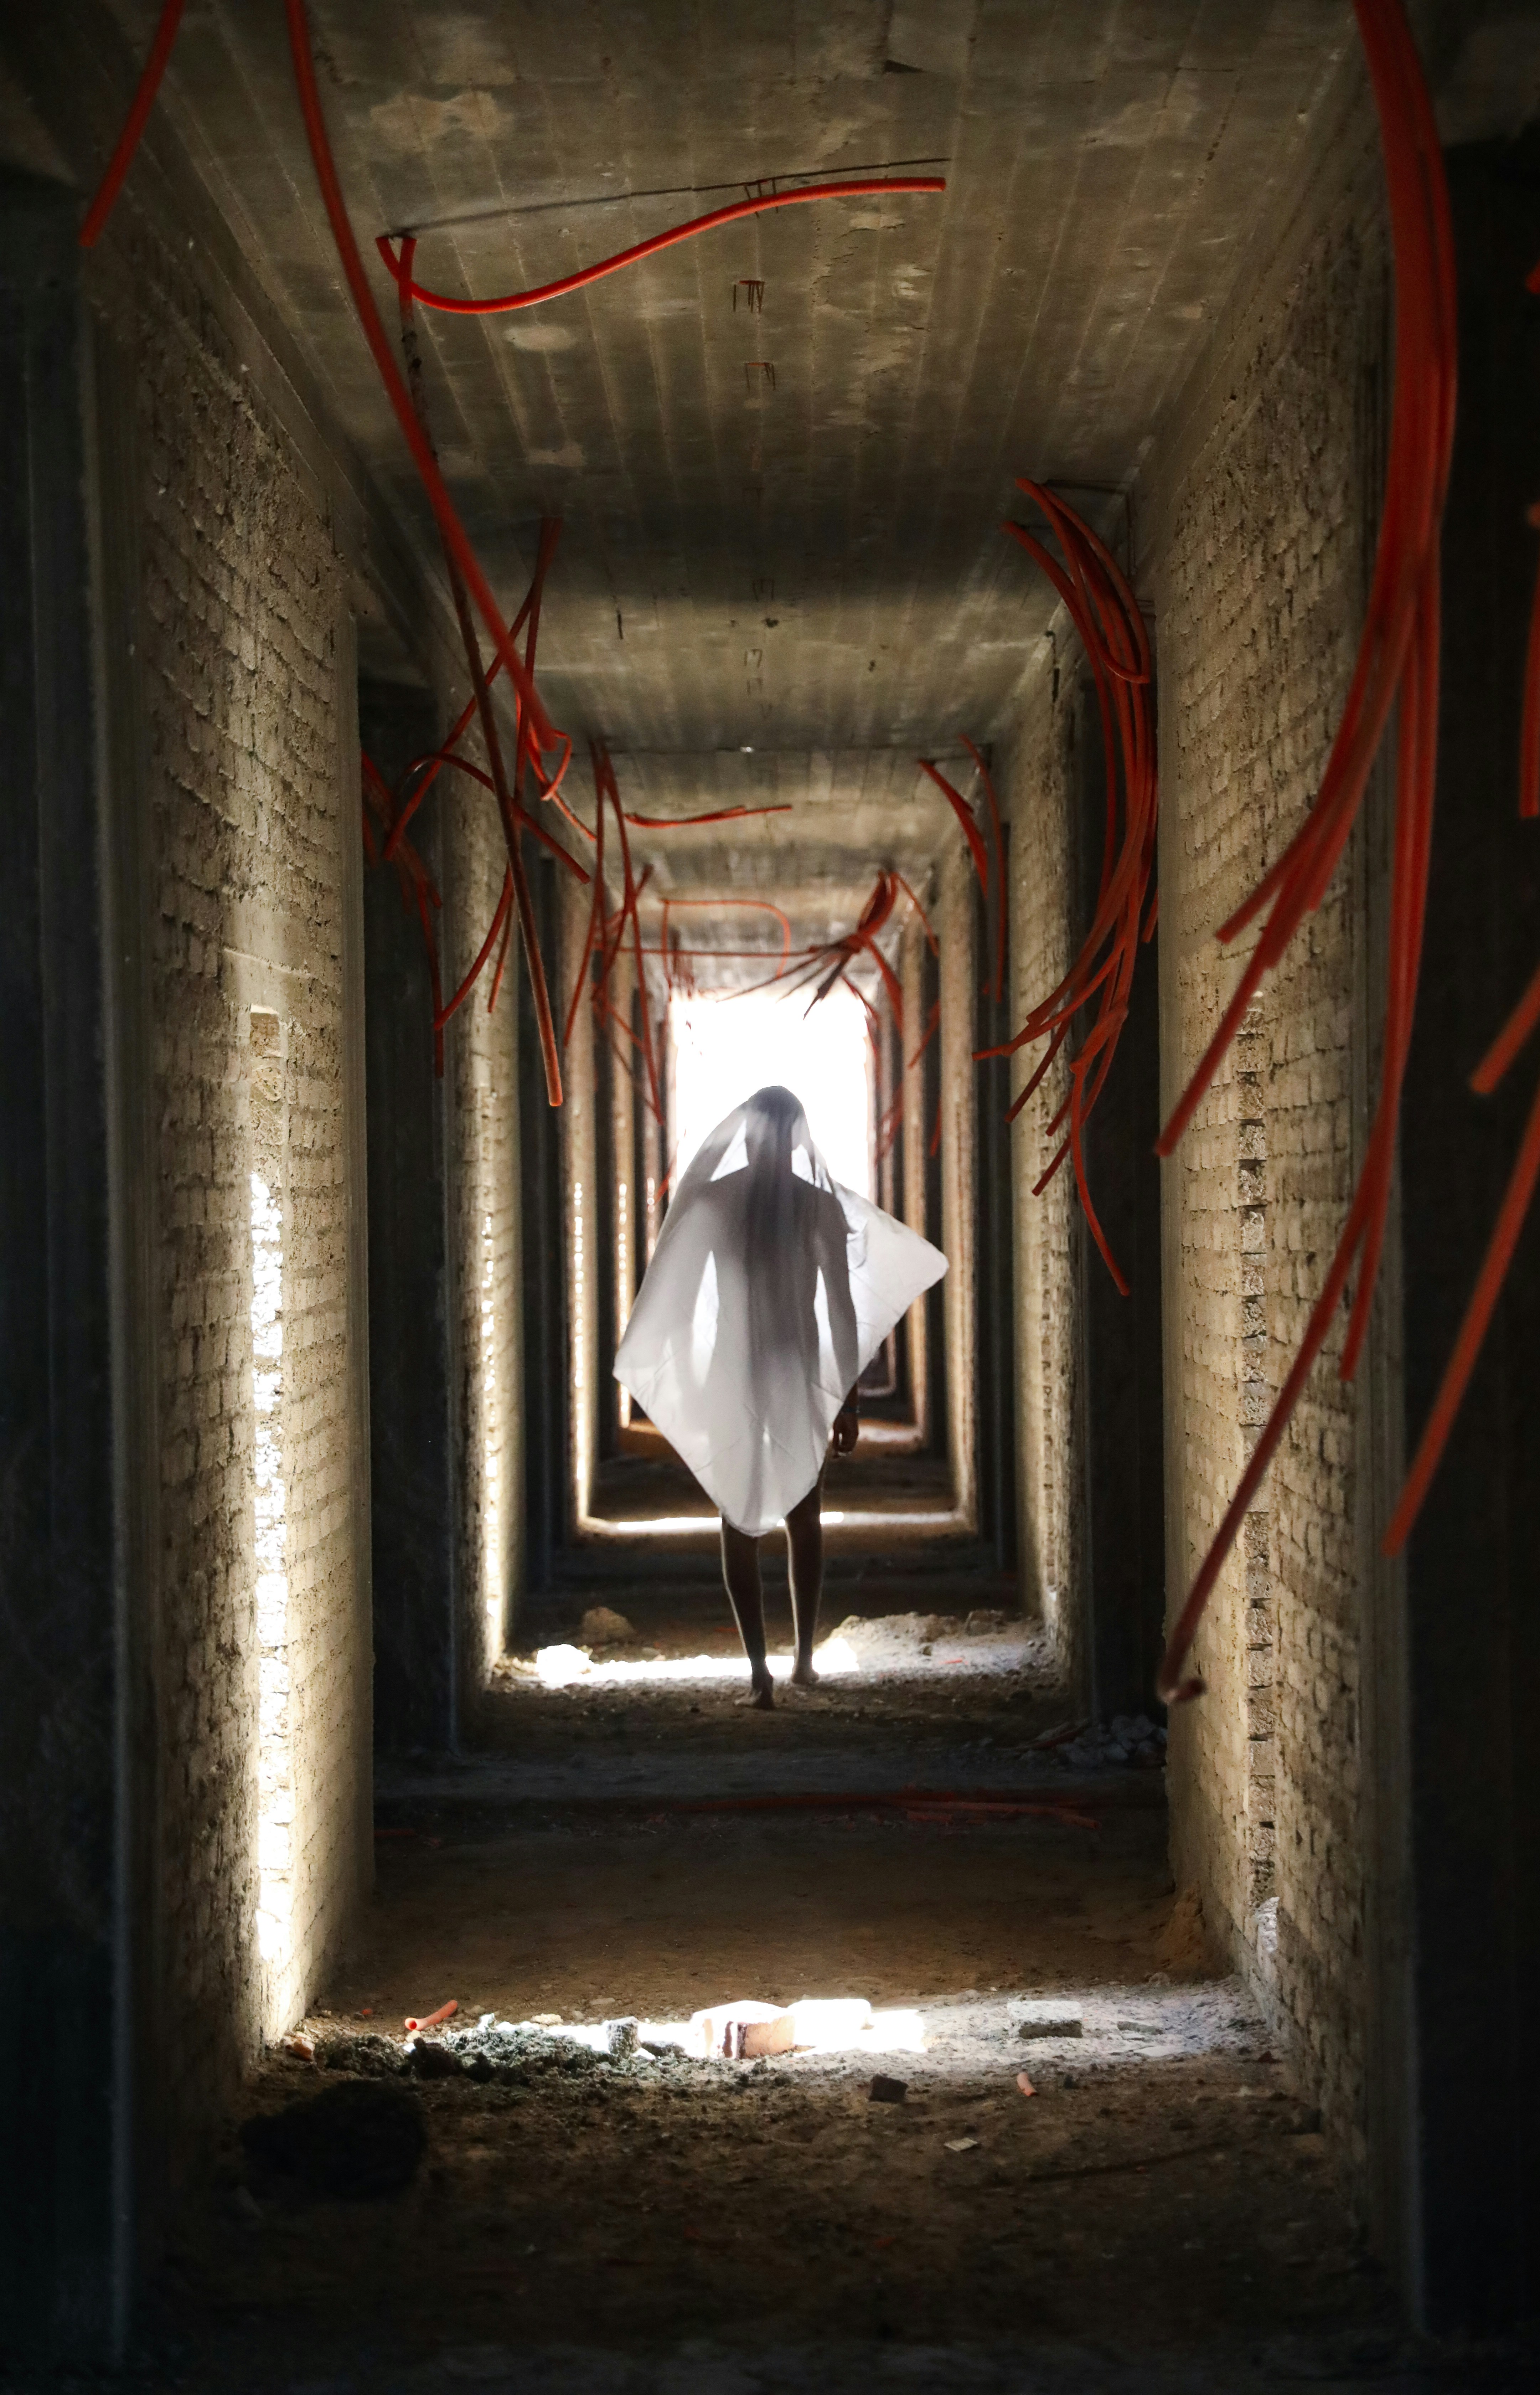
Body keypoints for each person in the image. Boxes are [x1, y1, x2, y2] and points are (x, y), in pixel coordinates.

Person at [614, 1085, 947, 1708]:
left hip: (730, 1373)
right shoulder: (815, 1208)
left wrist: (689, 1389)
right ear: (797, 1135)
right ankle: (801, 1661)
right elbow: (840, 1313)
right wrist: (848, 1400)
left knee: (736, 1517)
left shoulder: (715, 1201)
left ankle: (759, 1672)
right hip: (793, 1370)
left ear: (747, 1134)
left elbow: (682, 1308)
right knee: (805, 1514)